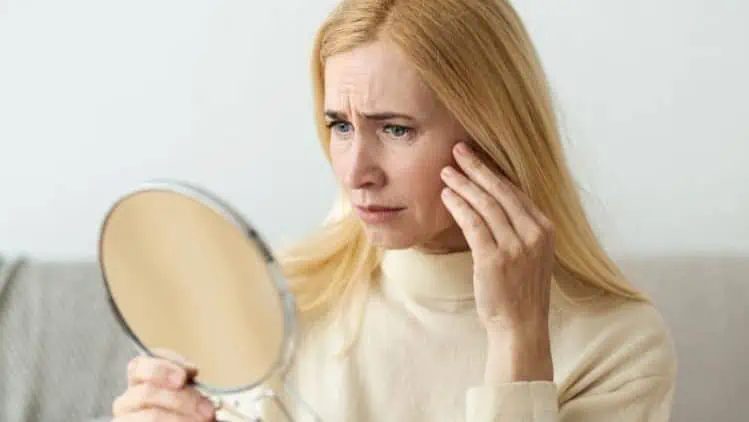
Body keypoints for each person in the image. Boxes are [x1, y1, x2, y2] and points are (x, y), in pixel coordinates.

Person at [110, 0, 677, 420]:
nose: (356, 173)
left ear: (494, 135)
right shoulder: (281, 304)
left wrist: (517, 340)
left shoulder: (620, 347)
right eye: (340, 126)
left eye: (397, 129)